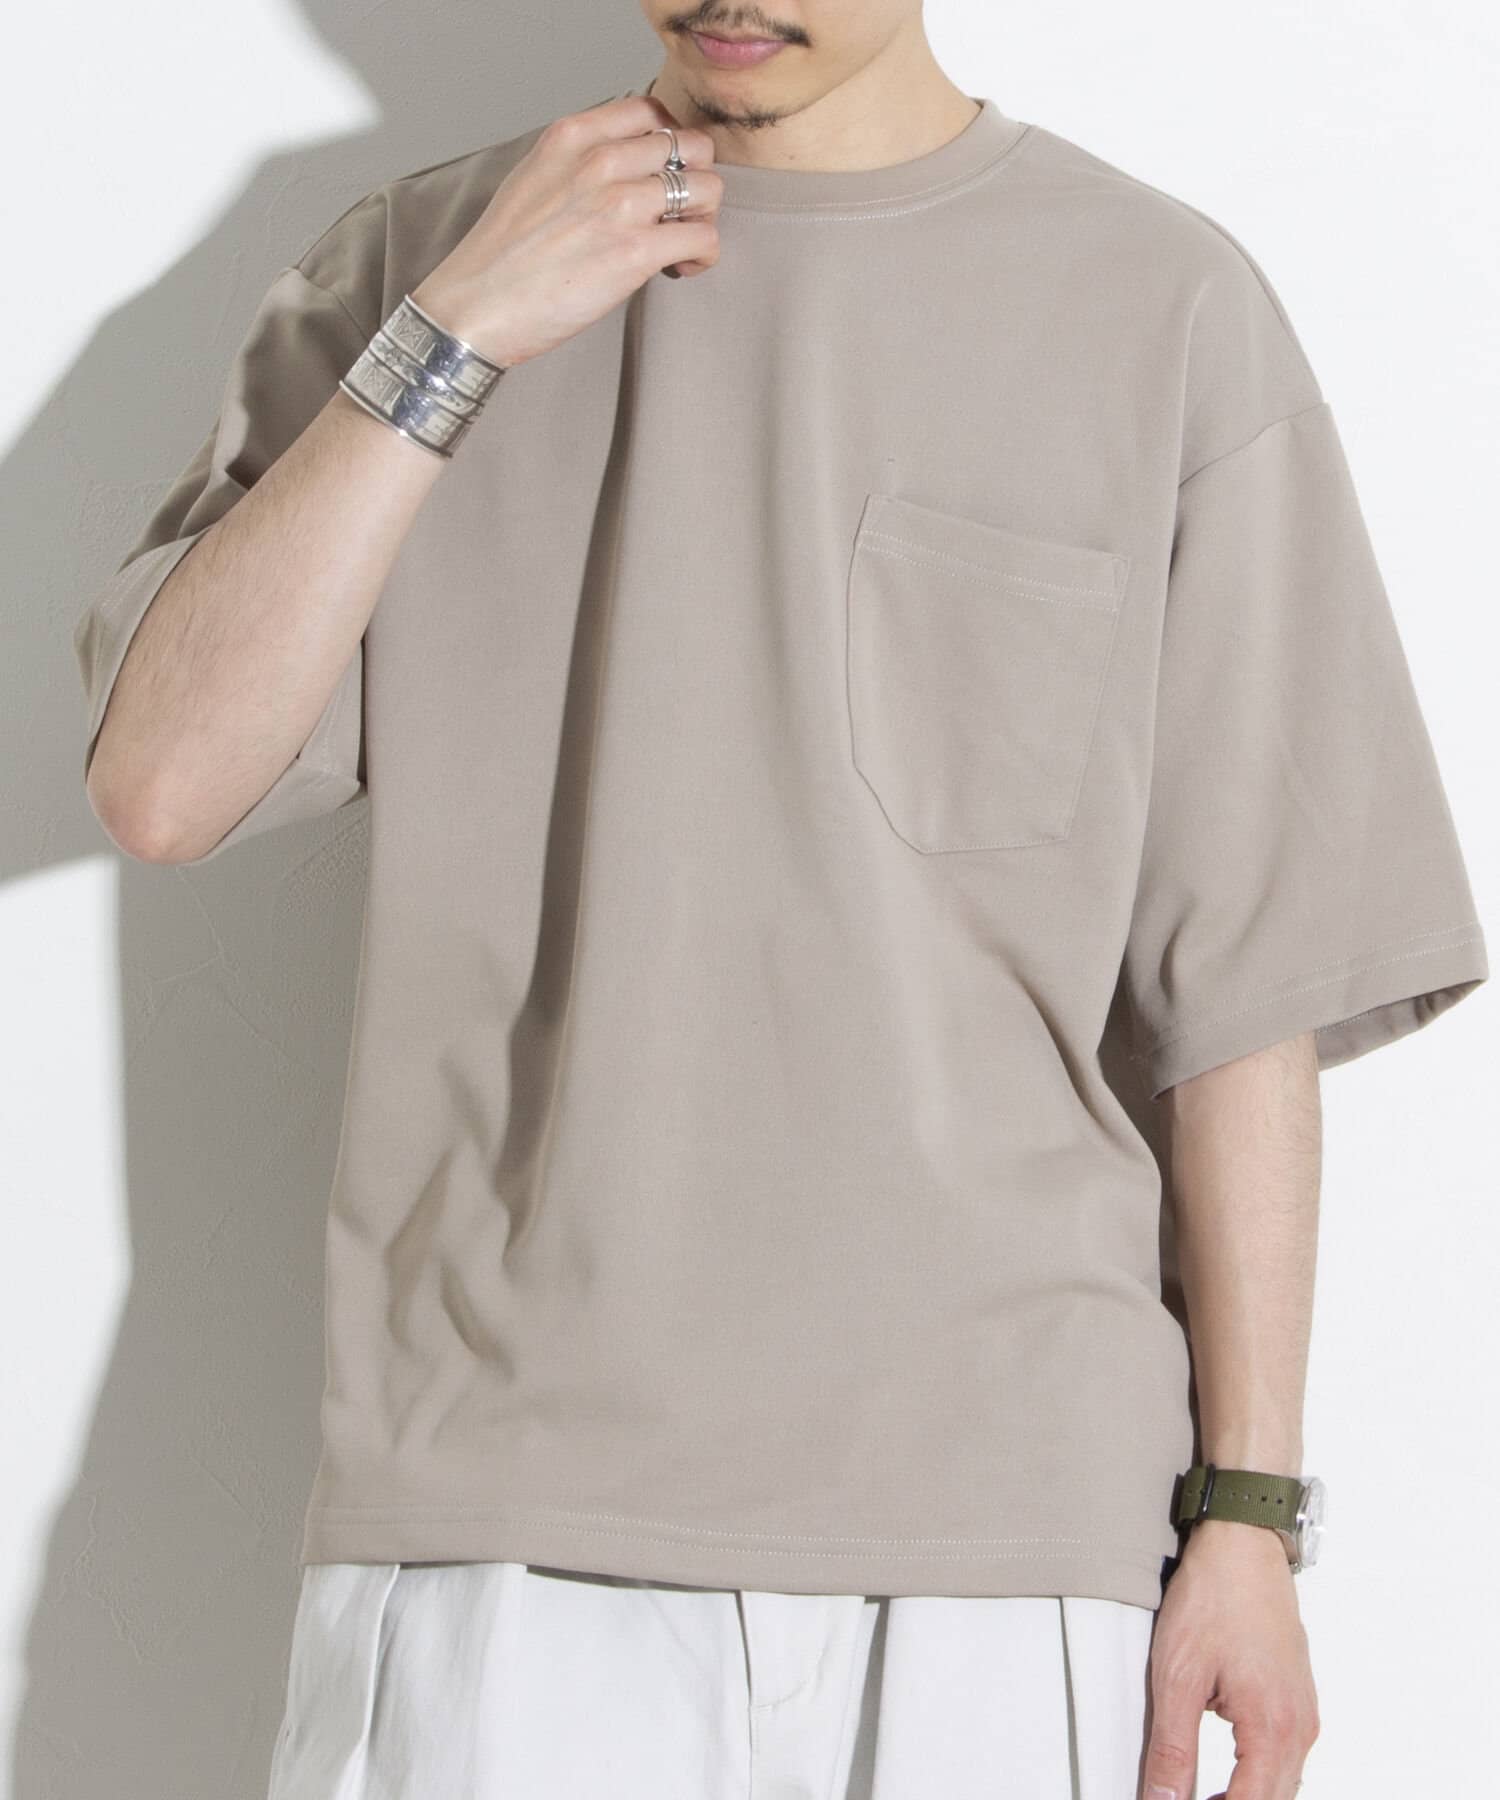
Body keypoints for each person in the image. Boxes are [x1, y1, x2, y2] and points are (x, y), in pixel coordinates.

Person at [71, 5, 1487, 1797]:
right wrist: (455, 335)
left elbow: (1246, 995)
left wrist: (1252, 1517)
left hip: (1011, 1539)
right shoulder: (421, 261)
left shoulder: (1162, 304)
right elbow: (165, 784)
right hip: (504, 1516)